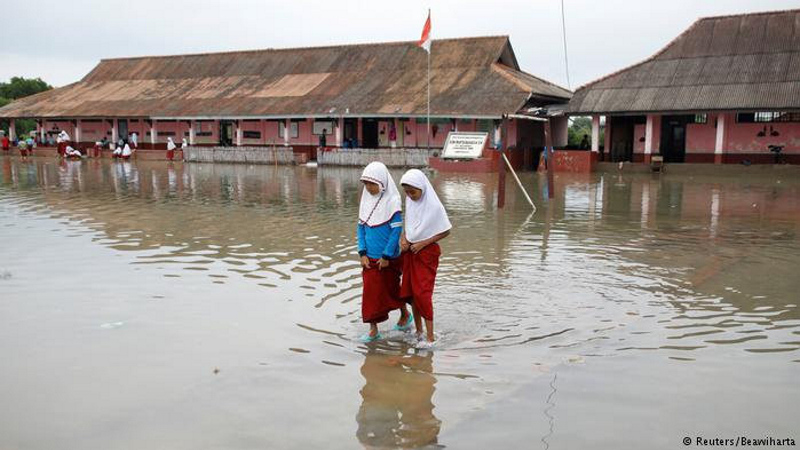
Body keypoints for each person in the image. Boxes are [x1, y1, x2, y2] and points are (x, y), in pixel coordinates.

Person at [357, 162, 412, 342]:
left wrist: (387, 255)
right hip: (369, 259)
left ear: (382, 183)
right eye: (366, 184)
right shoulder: (365, 202)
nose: (369, 188)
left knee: (392, 290)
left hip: (389, 259)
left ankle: (405, 314)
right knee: (370, 294)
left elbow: (395, 231)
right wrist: (362, 252)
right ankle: (373, 329)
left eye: (372, 184)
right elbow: (361, 229)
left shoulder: (392, 202)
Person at [399, 169, 452, 348]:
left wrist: (423, 243)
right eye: (407, 192)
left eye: (413, 192)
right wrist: (404, 238)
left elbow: (445, 230)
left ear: (422, 188)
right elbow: (409, 224)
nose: (410, 196)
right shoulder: (410, 201)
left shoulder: (434, 206)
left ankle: (430, 337)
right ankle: (418, 331)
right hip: (410, 252)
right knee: (412, 293)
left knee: (423, 294)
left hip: (426, 253)